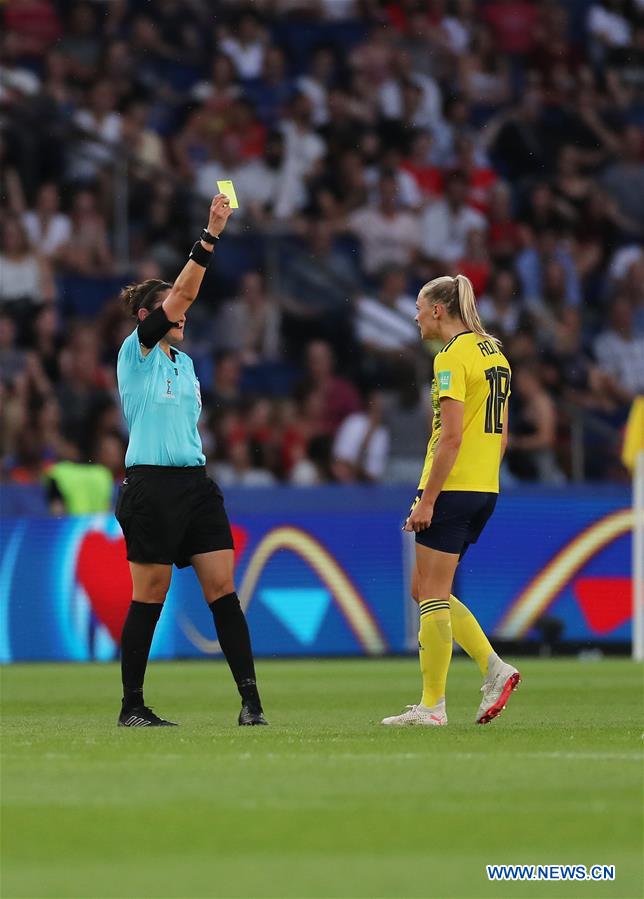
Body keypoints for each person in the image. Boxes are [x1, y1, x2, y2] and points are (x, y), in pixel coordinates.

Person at [114, 193, 267, 728]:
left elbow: (181, 297)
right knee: (149, 593)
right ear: (147, 316)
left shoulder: (187, 364)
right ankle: (132, 705)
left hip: (194, 484)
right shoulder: (137, 354)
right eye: (169, 310)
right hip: (151, 486)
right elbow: (181, 294)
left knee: (223, 587)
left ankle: (251, 703)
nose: (181, 315)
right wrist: (211, 233)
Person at [382, 274, 520, 728]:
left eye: (420, 307)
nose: (416, 316)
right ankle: (489, 671)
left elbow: (451, 435)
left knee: (431, 594)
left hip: (452, 486)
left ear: (439, 310)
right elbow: (499, 436)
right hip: (484, 487)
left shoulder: (451, 357)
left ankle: (435, 705)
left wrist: (429, 500)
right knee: (426, 591)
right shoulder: (494, 353)